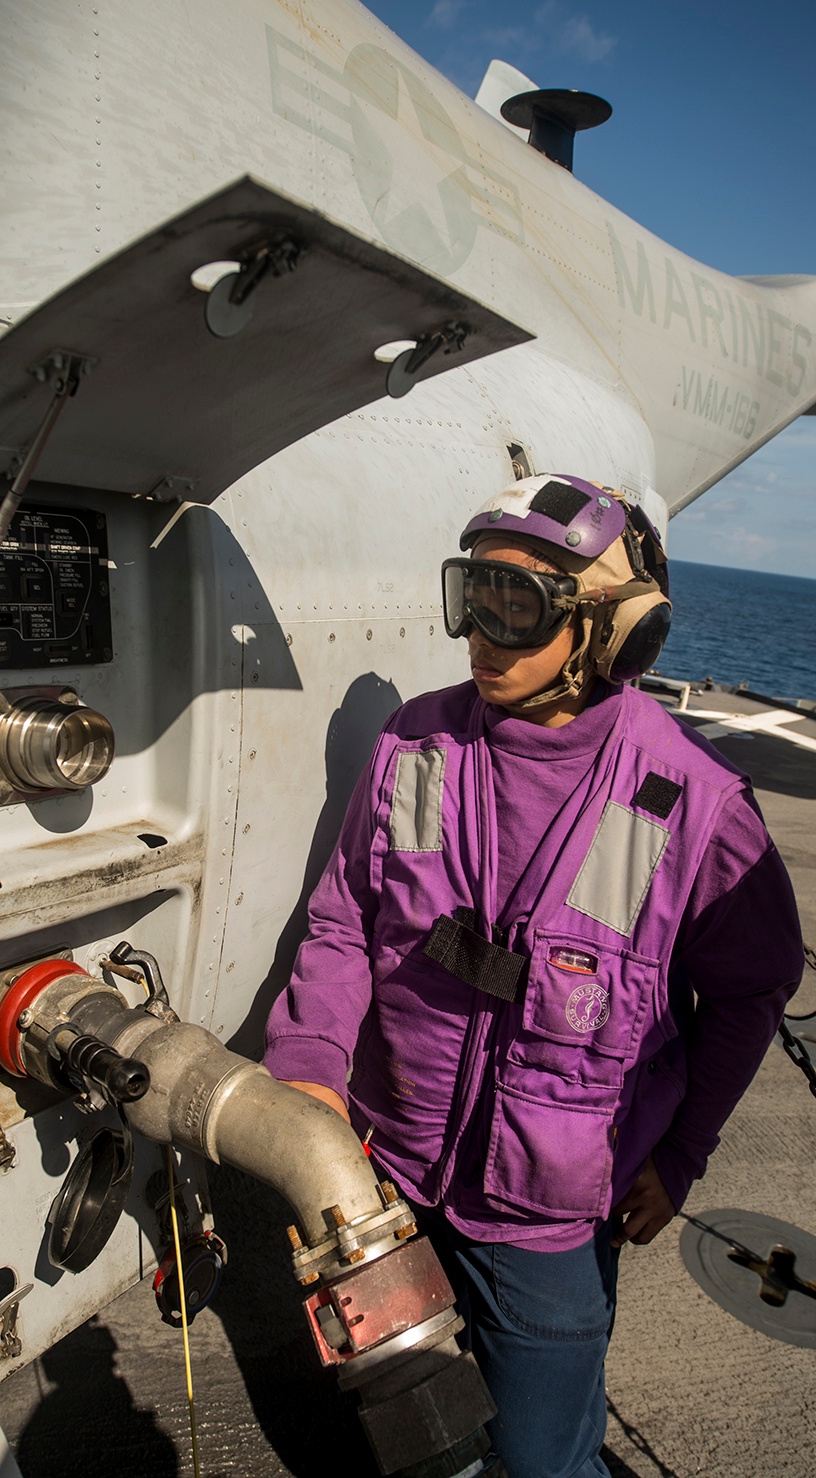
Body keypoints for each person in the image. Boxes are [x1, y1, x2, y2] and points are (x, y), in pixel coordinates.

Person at [263, 474, 804, 1478]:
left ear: (610, 633)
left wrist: (681, 1150)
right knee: (400, 1430)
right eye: (471, 594)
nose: (480, 633)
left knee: (544, 1460)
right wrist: (310, 1066)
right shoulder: (414, 742)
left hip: (546, 1218)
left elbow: (751, 987)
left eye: (516, 607)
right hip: (391, 1168)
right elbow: (344, 920)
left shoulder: (694, 804)